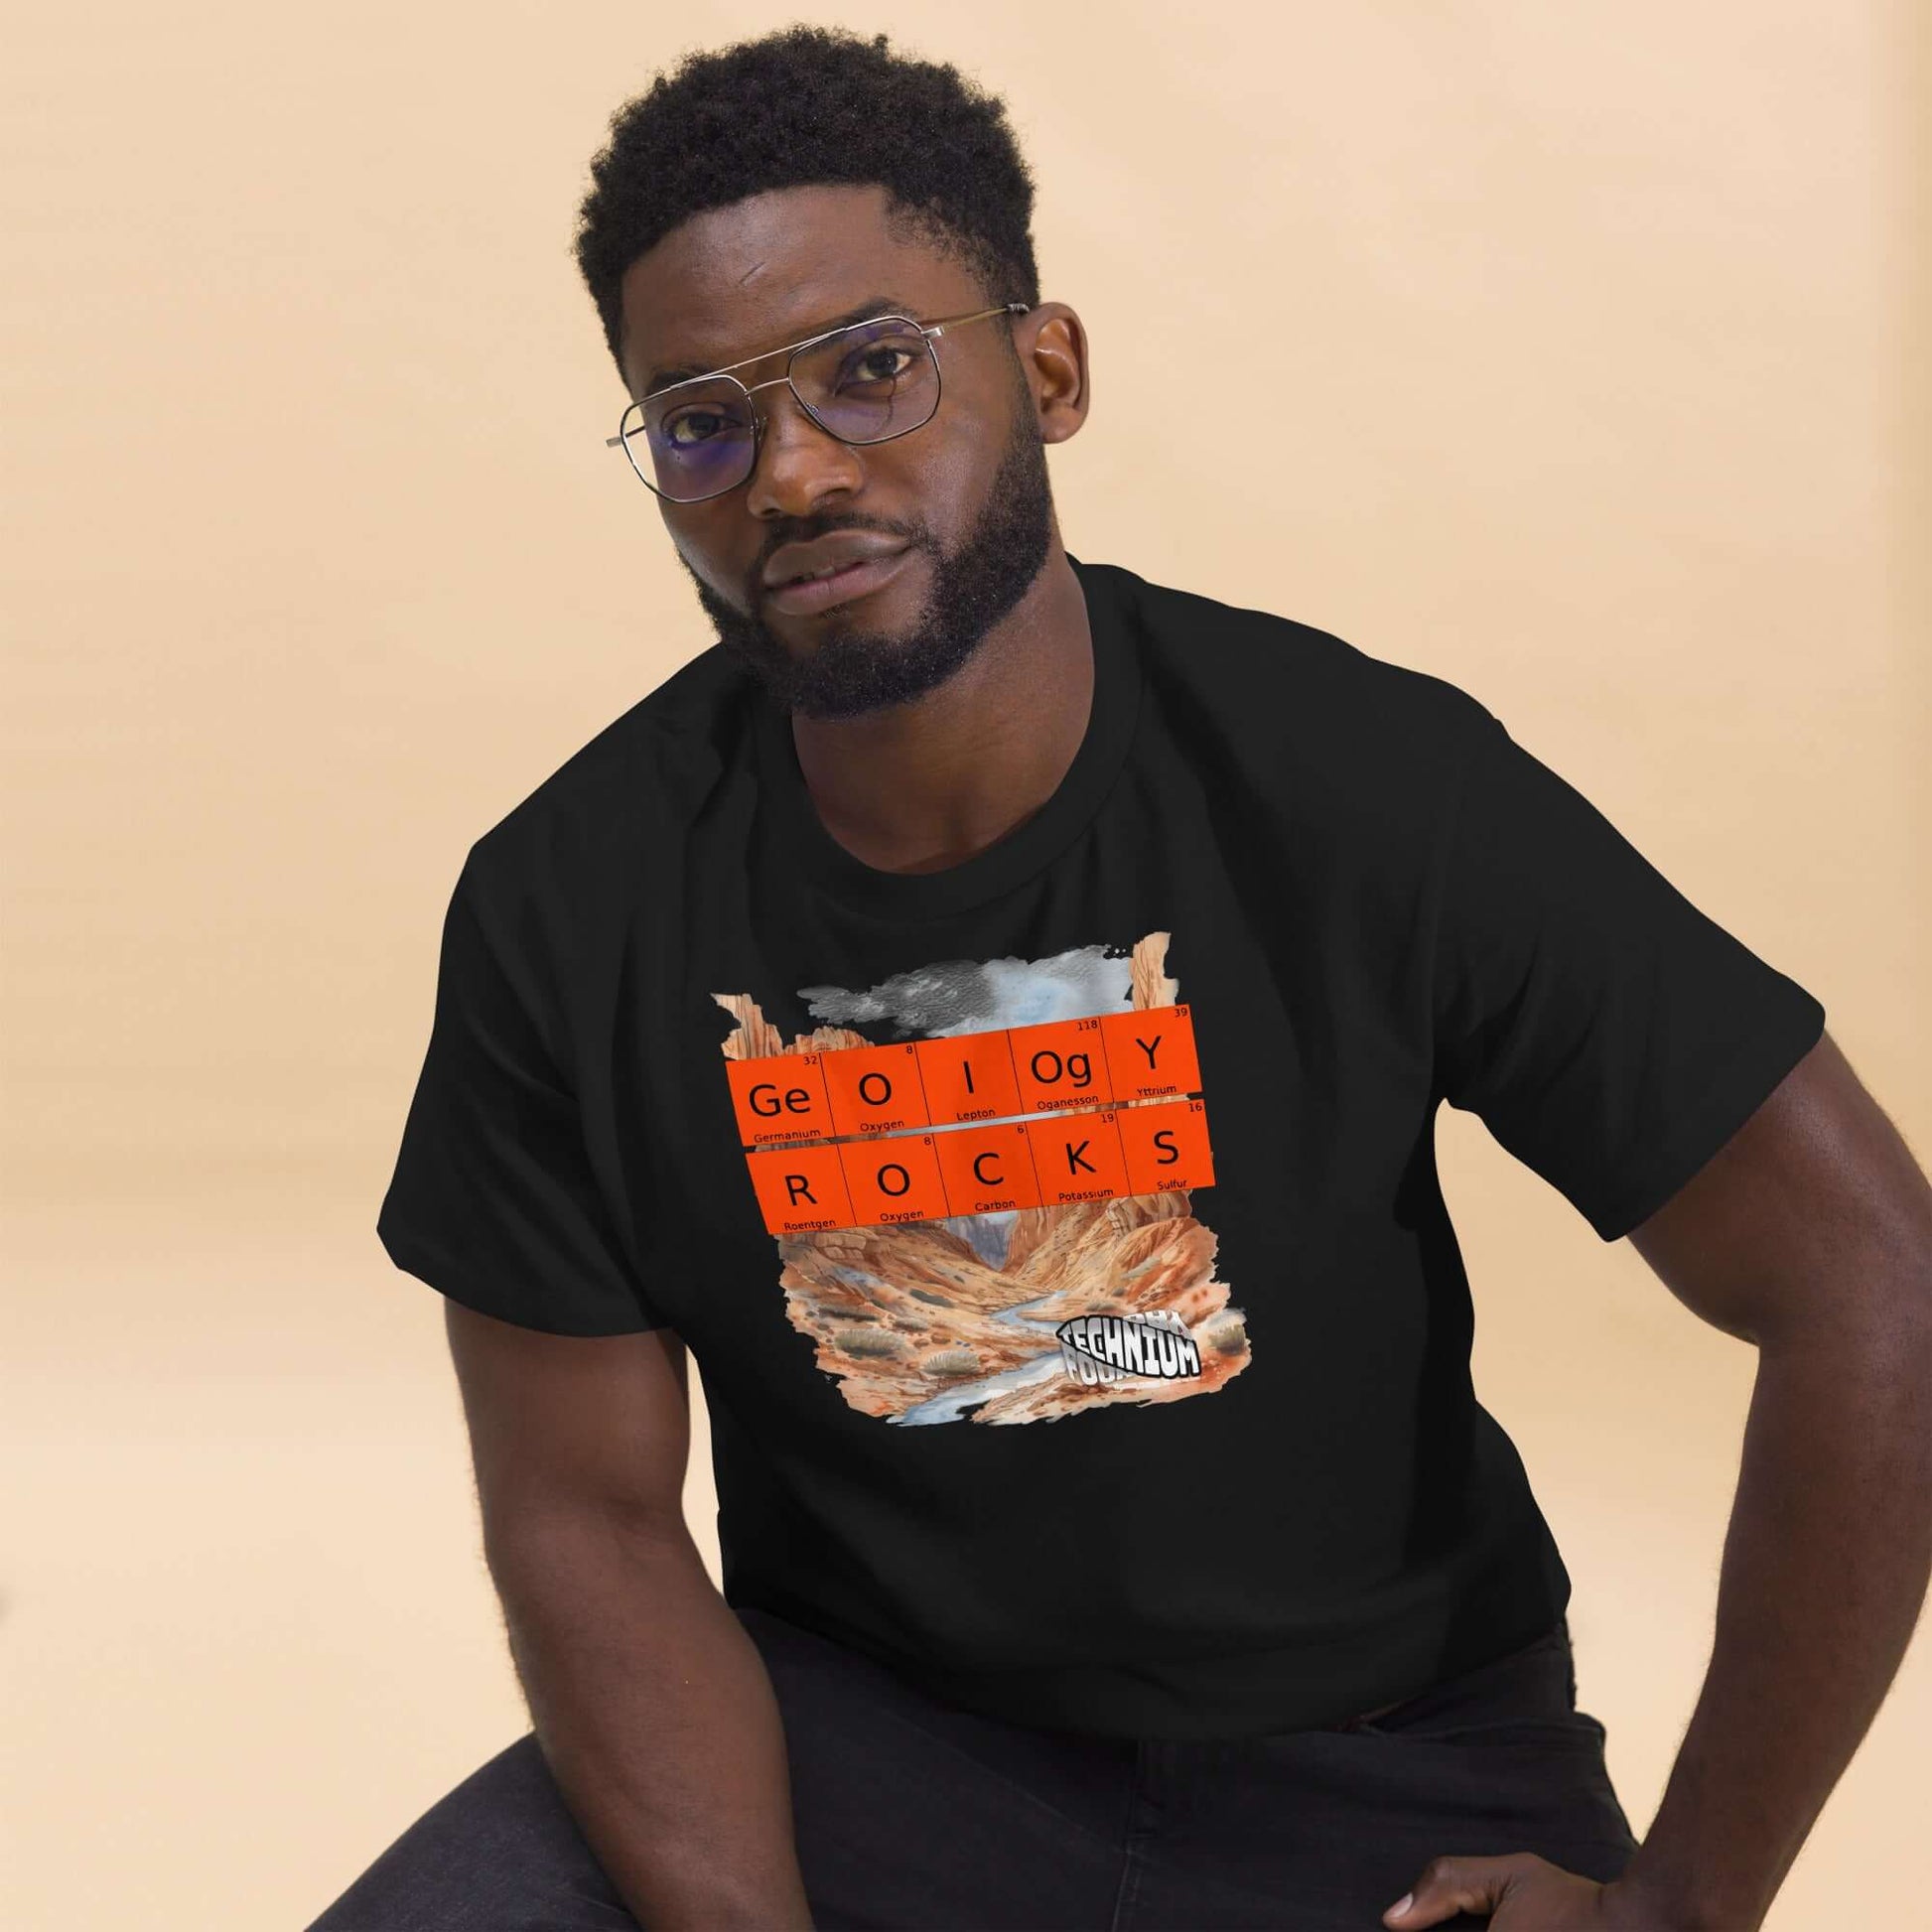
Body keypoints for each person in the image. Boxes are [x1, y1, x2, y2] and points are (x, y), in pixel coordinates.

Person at [310, 26, 1932, 1932]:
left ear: (1048, 369)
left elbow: (1869, 1280)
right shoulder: (564, 903)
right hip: (856, 1749)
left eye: (872, 368)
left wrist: (1683, 1905)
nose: (794, 471)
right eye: (700, 422)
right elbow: (583, 1512)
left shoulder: (1357, 783)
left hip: (1380, 1774)